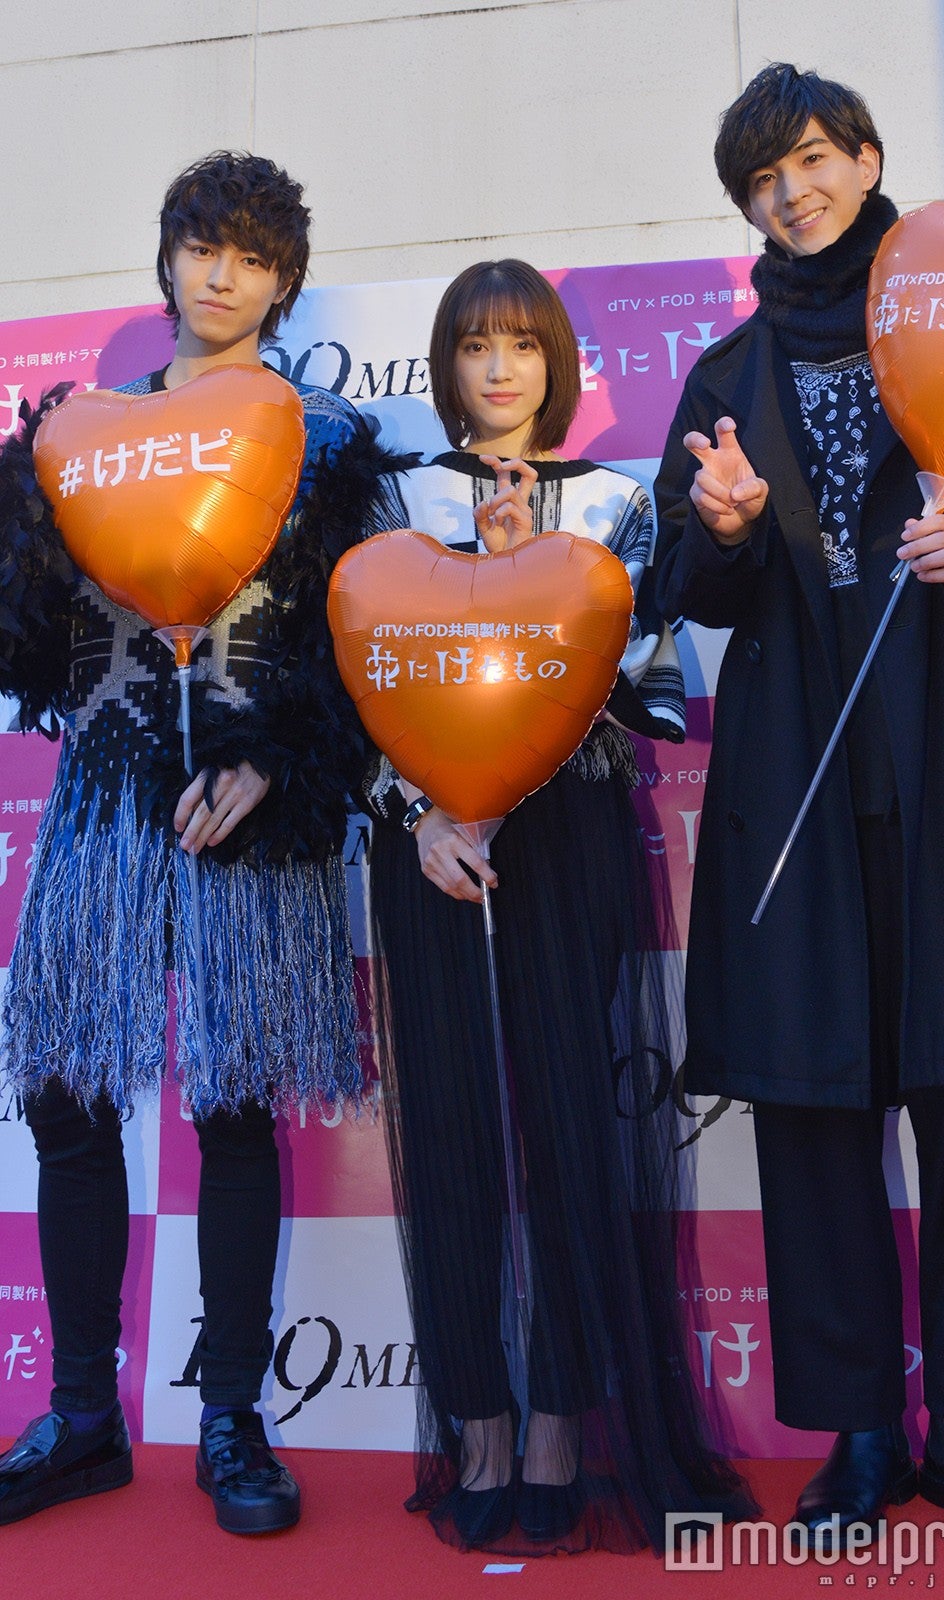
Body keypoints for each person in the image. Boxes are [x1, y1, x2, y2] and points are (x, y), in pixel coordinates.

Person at [655, 62, 944, 1551]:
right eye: (763, 179)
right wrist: (721, 530)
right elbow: (684, 584)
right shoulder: (724, 377)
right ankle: (856, 1430)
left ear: (867, 159)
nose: (794, 193)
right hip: (795, 783)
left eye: (814, 159)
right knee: (814, 1109)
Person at [0, 151, 407, 1533]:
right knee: (64, 1094)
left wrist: (276, 759)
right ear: (166, 259)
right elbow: (37, 639)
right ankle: (82, 1415)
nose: (221, 273)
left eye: (251, 254)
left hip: (252, 801)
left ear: (284, 281)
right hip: (105, 787)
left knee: (231, 1104)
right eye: (201, 245)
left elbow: (363, 636)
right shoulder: (87, 427)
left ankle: (232, 1417)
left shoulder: (329, 437)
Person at [356, 259, 753, 1554]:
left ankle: (562, 1424)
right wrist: (421, 812)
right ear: (445, 364)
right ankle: (474, 1419)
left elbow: (635, 685)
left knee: (572, 1125)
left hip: (565, 828)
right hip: (429, 846)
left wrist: (525, 579)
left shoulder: (615, 501)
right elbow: (357, 678)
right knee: (454, 1125)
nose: (499, 368)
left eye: (522, 343)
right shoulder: (393, 497)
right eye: (475, 344)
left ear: (556, 362)